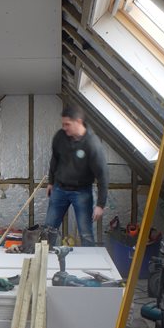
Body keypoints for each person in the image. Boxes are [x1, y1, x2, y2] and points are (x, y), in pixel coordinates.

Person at [45, 104, 108, 247]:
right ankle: (44, 261)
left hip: (82, 192)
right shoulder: (60, 137)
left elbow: (103, 175)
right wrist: (50, 182)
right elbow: (54, 159)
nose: (64, 127)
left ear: (78, 121)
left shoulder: (92, 144)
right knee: (48, 230)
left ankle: (89, 265)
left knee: (86, 233)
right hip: (59, 189)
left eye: (67, 124)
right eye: (63, 124)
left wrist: (100, 205)